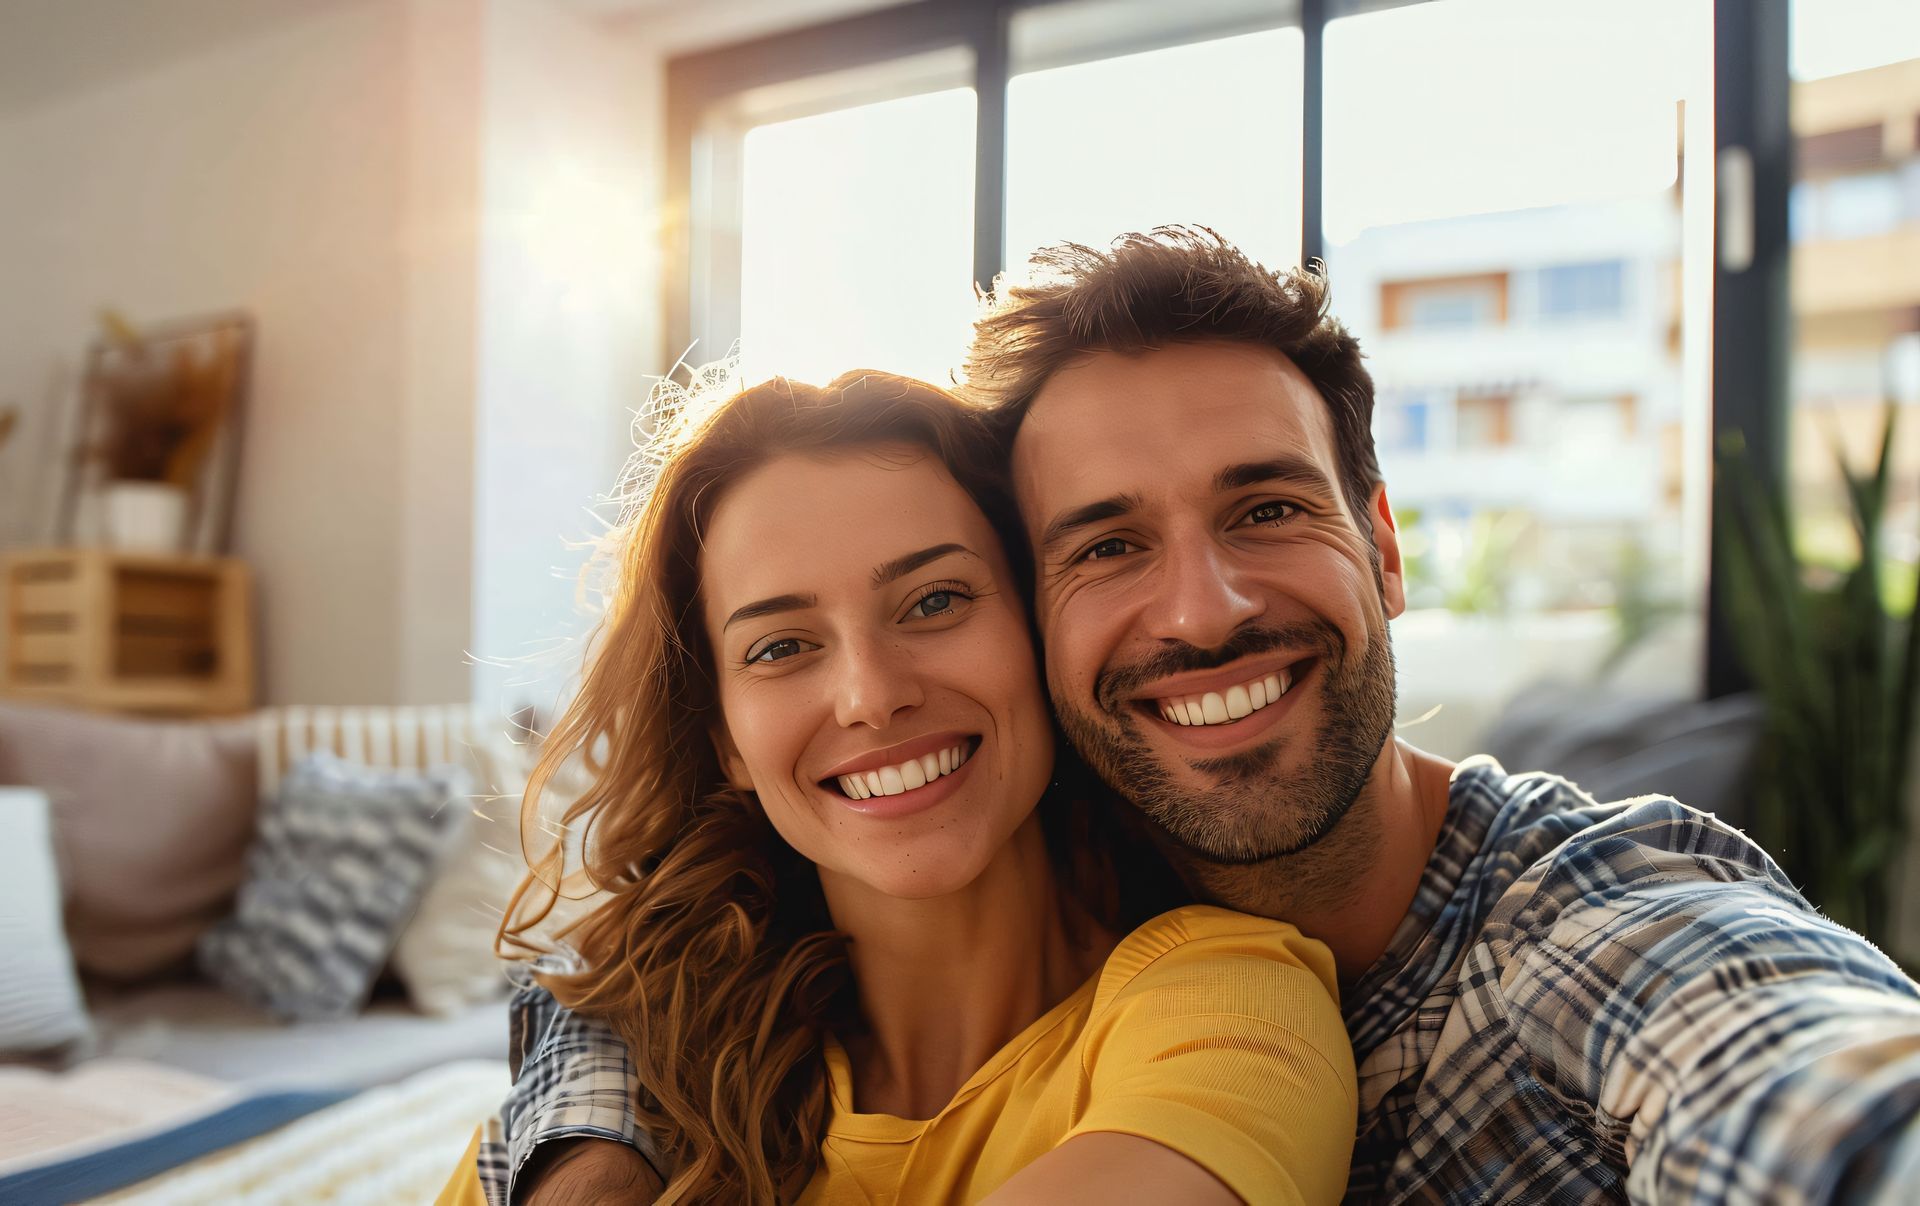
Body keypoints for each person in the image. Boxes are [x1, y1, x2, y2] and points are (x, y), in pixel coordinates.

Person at [492, 228, 1920, 1204]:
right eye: (1109, 545)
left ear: (1385, 548)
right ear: (1040, 620)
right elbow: (628, 980)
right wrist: (595, 1141)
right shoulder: (1017, 875)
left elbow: (1795, 1075)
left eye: (1268, 509)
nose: (1202, 609)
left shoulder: (1577, 926)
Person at [439, 369, 1357, 1205]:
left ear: (1039, 632)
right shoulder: (623, 1096)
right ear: (724, 740)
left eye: (936, 601)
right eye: (780, 647)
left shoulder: (1235, 1006)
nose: (871, 696)